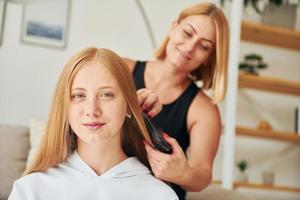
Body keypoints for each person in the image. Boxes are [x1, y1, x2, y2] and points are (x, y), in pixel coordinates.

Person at [8, 47, 178, 200]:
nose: (92, 110)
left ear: (128, 105)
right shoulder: (29, 190)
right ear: (64, 107)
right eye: (79, 96)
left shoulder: (159, 195)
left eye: (106, 95)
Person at [124, 2, 229, 199]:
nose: (189, 47)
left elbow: (203, 174)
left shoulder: (204, 109)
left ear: (208, 57)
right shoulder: (123, 69)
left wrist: (183, 173)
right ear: (174, 27)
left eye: (204, 46)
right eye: (188, 33)